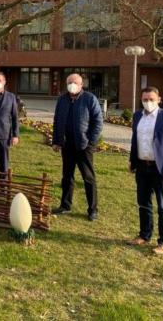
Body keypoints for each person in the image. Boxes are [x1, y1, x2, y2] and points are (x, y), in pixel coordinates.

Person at [127, 86, 163, 255]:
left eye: (151, 99)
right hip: (142, 167)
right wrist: (132, 159)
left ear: (159, 99)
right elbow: (136, 139)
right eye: (145, 99)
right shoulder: (137, 116)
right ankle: (144, 235)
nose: (148, 102)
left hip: (162, 168)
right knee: (144, 203)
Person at [51, 73, 103, 221]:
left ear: (81, 85)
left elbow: (98, 122)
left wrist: (90, 142)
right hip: (67, 145)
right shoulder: (62, 100)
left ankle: (92, 209)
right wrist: (56, 141)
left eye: (75, 82)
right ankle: (65, 205)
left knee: (88, 178)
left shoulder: (89, 99)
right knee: (67, 177)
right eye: (69, 82)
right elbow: (57, 121)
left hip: (84, 146)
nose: (72, 85)